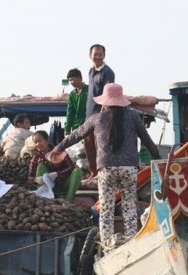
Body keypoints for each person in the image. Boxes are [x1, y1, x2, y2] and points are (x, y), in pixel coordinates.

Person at [51, 83, 160, 248]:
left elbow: (77, 134)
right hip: (129, 168)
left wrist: (58, 147)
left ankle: (106, 243)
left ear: (105, 101)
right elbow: (146, 140)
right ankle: (131, 241)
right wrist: (158, 158)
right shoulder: (132, 117)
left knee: (107, 208)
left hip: (106, 169)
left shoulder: (96, 118)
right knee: (129, 206)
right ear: (122, 101)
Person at [84, 44, 115, 179]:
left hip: (100, 115)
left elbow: (108, 94)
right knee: (88, 144)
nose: (97, 57)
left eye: (100, 54)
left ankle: (101, 174)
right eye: (95, 54)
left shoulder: (108, 72)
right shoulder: (91, 71)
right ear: (90, 55)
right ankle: (93, 172)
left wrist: (103, 114)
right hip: (89, 115)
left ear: (104, 55)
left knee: (100, 146)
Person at [28, 130, 82, 202]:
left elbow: (72, 167)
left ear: (47, 141)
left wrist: (57, 174)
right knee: (40, 166)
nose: (37, 144)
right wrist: (36, 179)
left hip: (64, 185)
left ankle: (69, 199)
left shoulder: (58, 152)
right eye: (35, 142)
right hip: (48, 187)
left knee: (77, 171)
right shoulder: (36, 158)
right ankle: (43, 198)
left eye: (40, 141)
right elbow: (29, 177)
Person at [64, 68, 88, 136]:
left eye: (72, 79)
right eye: (69, 80)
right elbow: (70, 112)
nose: (71, 82)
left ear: (80, 78)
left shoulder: (89, 90)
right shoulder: (72, 94)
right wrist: (67, 128)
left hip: (88, 124)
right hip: (76, 127)